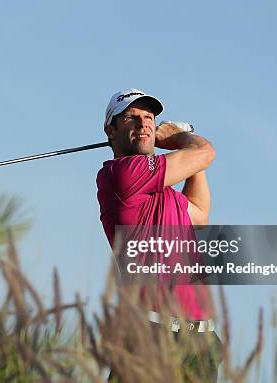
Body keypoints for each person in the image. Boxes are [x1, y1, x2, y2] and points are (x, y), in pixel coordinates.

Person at [96, 88, 222, 382]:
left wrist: (189, 159)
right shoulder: (122, 174)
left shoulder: (160, 192)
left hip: (199, 342)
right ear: (110, 131)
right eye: (130, 118)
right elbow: (205, 153)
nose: (143, 124)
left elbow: (199, 214)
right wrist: (177, 139)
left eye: (149, 117)